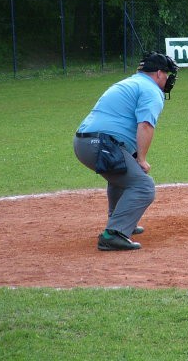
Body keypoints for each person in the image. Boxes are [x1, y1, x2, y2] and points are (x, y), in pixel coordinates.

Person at [73, 51, 179, 251]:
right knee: (143, 186)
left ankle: (121, 221)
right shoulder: (151, 91)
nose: (168, 78)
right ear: (158, 73)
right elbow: (146, 125)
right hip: (101, 143)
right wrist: (142, 158)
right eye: (167, 74)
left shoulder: (132, 82)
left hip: (86, 142)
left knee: (121, 176)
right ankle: (114, 234)